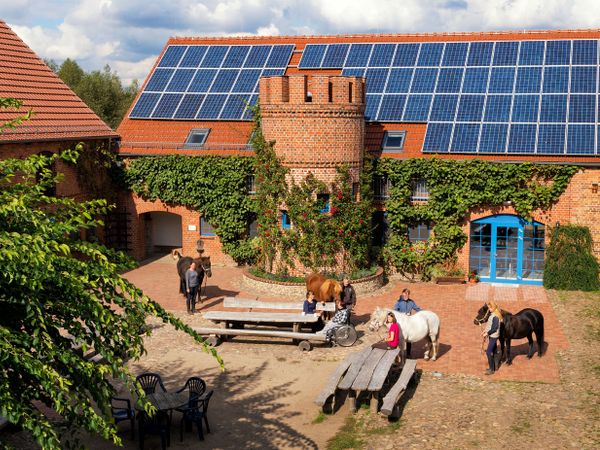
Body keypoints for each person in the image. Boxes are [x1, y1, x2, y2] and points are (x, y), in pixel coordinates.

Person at [393, 288, 421, 356]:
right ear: (402, 294)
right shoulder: (398, 302)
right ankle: (397, 354)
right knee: (399, 338)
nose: (406, 296)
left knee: (409, 338)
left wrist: (424, 313)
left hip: (408, 322)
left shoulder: (411, 302)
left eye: (408, 295)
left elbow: (417, 309)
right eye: (405, 294)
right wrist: (403, 314)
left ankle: (408, 353)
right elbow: (394, 312)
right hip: (400, 323)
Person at [482, 300, 503, 375]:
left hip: (493, 336)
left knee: (488, 352)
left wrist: (487, 333)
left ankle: (491, 369)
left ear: (493, 308)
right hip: (491, 336)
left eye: (490, 308)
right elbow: (489, 325)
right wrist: (485, 331)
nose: (489, 309)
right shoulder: (493, 314)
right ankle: (494, 366)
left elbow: (494, 328)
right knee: (493, 351)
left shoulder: (495, 317)